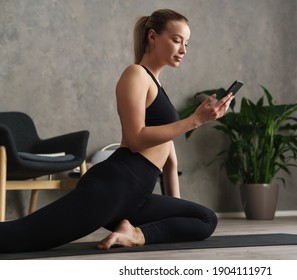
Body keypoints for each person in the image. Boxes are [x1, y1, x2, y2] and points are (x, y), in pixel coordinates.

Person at [0, 9, 234, 253]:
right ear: (153, 37)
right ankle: (131, 231)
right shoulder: (135, 75)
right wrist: (194, 120)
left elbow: (169, 162)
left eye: (186, 43)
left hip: (136, 197)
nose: (184, 49)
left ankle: (134, 234)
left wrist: (175, 211)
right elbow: (135, 139)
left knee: (205, 219)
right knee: (16, 238)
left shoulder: (157, 85)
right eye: (177, 40)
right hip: (113, 187)